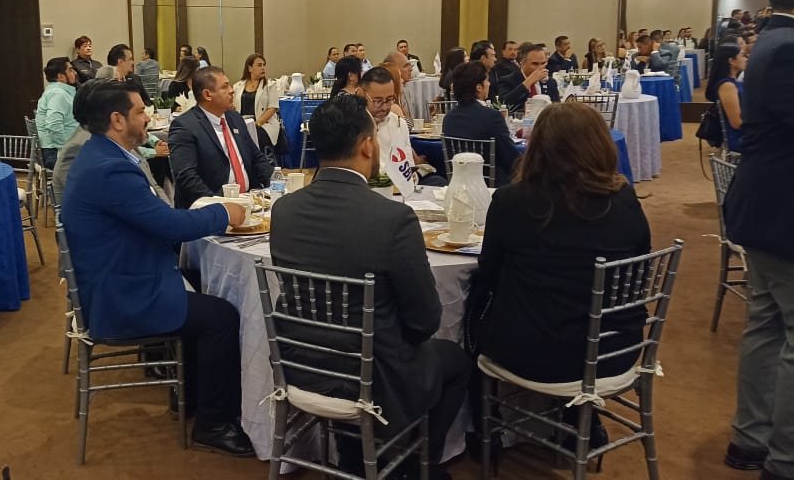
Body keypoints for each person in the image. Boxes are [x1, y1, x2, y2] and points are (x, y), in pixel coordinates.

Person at [268, 93, 469, 478]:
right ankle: (415, 466)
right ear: (366, 145)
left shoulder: (284, 209)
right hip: (373, 380)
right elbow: (425, 320)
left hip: (300, 365)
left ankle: (355, 456)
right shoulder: (392, 219)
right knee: (454, 360)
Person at [60, 80, 253, 456]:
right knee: (222, 316)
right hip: (124, 295)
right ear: (117, 120)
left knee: (204, 287)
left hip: (120, 275)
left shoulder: (100, 155)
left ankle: (191, 400)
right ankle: (213, 423)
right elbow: (168, 225)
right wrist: (224, 213)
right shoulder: (110, 169)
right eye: (139, 112)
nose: (147, 117)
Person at [473, 102, 650, 450]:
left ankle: (484, 430)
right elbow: (637, 274)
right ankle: (579, 418)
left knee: (474, 308)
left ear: (537, 147)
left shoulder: (512, 201)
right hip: (615, 349)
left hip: (532, 354)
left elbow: (488, 273)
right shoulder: (624, 200)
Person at [723, 0, 794, 480]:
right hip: (782, 208)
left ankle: (750, 438)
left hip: (766, 203)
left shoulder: (769, 40)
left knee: (766, 326)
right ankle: (784, 459)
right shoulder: (788, 47)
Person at [168, 66, 272, 210]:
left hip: (250, 202)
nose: (232, 90)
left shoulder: (234, 118)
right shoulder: (185, 126)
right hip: (210, 208)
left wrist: (274, 183)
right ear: (207, 94)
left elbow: (256, 157)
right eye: (225, 87)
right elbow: (187, 177)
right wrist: (220, 206)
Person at [53, 80, 169, 205]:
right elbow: (112, 204)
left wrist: (168, 209)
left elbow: (153, 186)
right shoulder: (79, 149)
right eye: (140, 112)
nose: (148, 118)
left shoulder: (118, 139)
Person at [442, 62, 522, 187]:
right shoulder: (492, 116)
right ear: (479, 87)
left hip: (459, 182)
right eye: (487, 80)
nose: (489, 84)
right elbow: (510, 157)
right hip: (492, 183)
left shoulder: (448, 118)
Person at [361, 67, 442, 185]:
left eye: (389, 100)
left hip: (400, 188)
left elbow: (408, 164)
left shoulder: (398, 124)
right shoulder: (351, 125)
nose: (384, 107)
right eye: (377, 101)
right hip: (368, 187)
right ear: (361, 94)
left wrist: (412, 177)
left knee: (438, 182)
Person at [35, 57, 79, 169]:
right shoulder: (59, 94)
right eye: (70, 70)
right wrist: (66, 150)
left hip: (55, 150)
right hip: (55, 153)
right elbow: (53, 124)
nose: (75, 73)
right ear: (60, 76)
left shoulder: (56, 91)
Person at [232, 54, 281, 150]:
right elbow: (233, 106)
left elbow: (272, 108)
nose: (263, 68)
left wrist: (257, 124)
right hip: (242, 125)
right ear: (250, 68)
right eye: (259, 65)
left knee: (250, 138)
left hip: (263, 125)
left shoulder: (270, 86)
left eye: (264, 65)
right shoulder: (237, 86)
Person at [496, 42, 561, 112]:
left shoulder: (550, 82)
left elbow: (557, 110)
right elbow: (503, 104)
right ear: (523, 63)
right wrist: (529, 81)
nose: (540, 67)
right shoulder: (508, 80)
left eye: (543, 63)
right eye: (535, 64)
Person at [707, 44, 748, 153]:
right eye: (742, 55)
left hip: (747, 133)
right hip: (740, 137)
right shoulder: (727, 86)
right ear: (731, 61)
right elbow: (736, 122)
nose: (746, 59)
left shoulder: (735, 83)